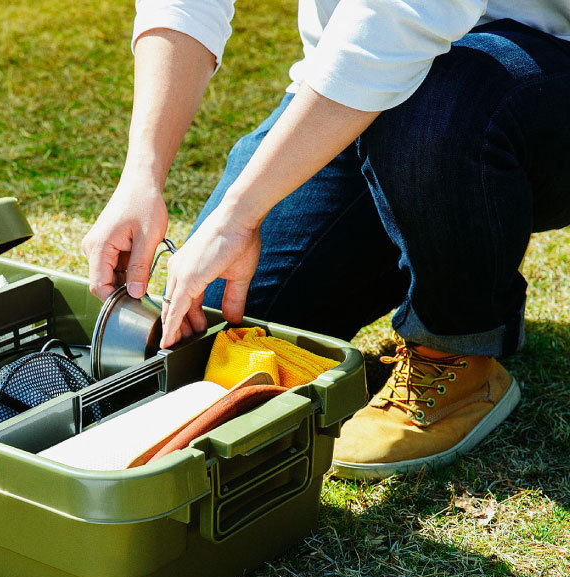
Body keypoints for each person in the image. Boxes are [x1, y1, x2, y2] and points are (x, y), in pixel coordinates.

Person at [81, 1, 570, 480]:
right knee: (226, 322)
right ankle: (442, 237)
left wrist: (238, 216)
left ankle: (455, 349)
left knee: (437, 104)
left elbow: (400, 19)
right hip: (357, 84)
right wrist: (142, 177)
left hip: (534, 72)